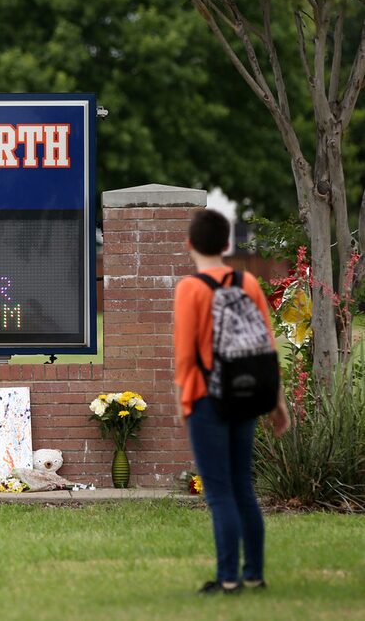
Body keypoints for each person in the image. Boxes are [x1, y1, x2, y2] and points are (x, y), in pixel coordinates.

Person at [173, 208, 291, 595]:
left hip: (208, 399)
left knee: (219, 492)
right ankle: (254, 575)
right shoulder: (249, 282)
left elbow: (186, 355)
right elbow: (266, 347)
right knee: (243, 488)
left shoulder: (190, 289)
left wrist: (182, 401)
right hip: (248, 395)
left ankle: (227, 580)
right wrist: (277, 402)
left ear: (190, 244)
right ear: (227, 244)